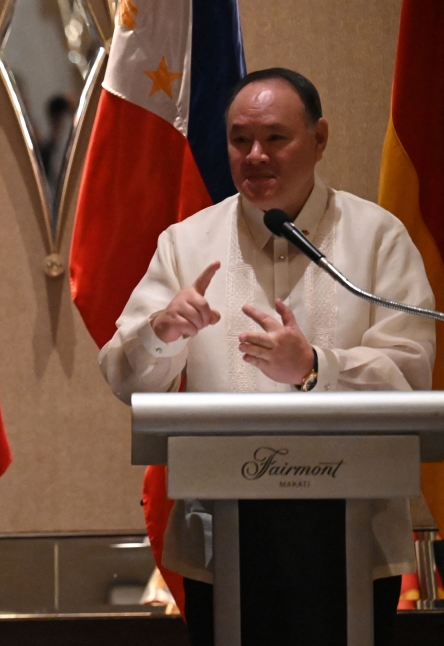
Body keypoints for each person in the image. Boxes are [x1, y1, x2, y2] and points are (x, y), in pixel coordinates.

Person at [99, 68, 434, 645]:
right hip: (222, 539)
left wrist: (314, 369)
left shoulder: (379, 237)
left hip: (353, 536)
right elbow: (124, 377)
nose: (255, 156)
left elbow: (410, 372)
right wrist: (160, 329)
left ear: (319, 139)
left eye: (275, 138)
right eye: (239, 140)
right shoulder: (186, 244)